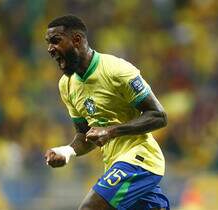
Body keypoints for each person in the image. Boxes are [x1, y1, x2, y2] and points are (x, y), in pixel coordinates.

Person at [44, 15, 170, 210]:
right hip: (114, 163)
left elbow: (159, 116)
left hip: (139, 159)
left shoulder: (116, 70)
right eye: (48, 43)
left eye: (55, 41)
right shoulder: (67, 86)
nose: (50, 49)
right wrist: (67, 151)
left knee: (89, 208)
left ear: (77, 40)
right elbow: (84, 135)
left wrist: (111, 131)